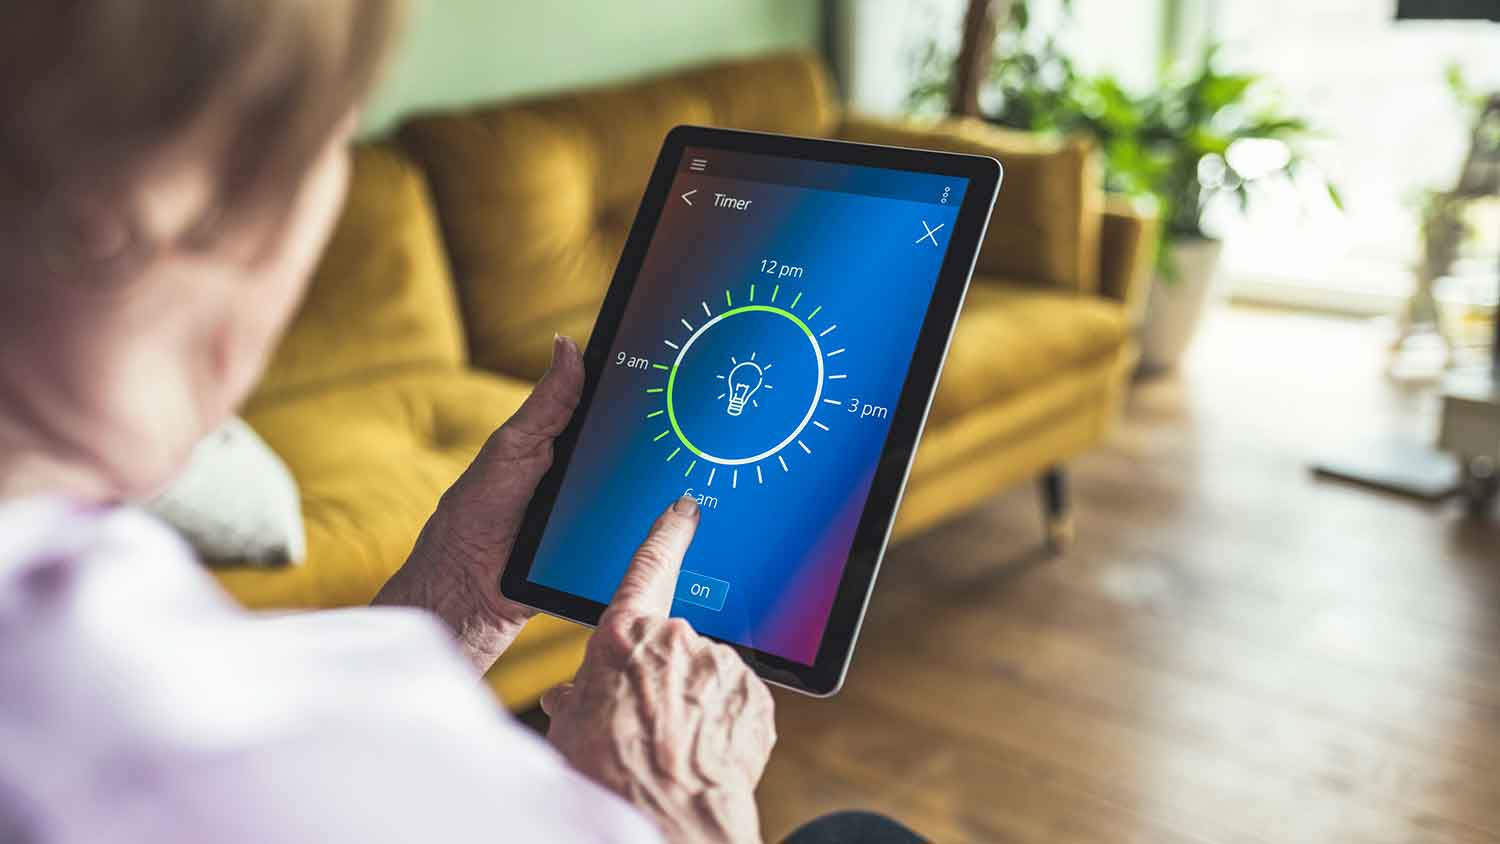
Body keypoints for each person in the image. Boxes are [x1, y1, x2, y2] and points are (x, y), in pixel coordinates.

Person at [0, 3, 926, 843]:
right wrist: (676, 814)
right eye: (335, 146)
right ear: (165, 208)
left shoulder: (118, 639)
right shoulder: (181, 757)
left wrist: (457, 595)